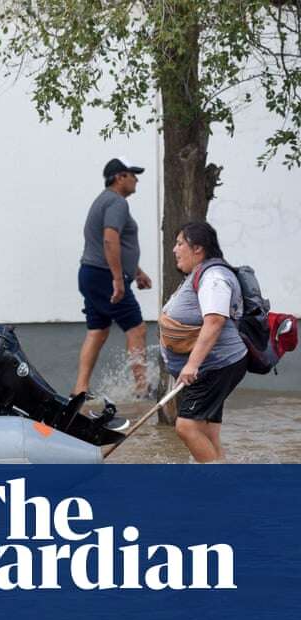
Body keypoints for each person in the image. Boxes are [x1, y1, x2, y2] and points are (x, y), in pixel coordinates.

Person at [160, 222, 248, 462]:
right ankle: (226, 484)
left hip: (215, 365)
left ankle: (217, 487)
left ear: (197, 248)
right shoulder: (200, 274)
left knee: (186, 426)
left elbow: (215, 321)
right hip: (212, 365)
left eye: (180, 243)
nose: (174, 250)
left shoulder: (214, 277)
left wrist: (192, 365)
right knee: (208, 432)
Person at [74, 156, 153, 397]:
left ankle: (80, 390)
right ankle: (142, 389)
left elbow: (113, 244)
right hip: (104, 276)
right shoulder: (117, 203)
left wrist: (136, 272)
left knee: (97, 330)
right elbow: (110, 239)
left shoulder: (103, 201)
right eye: (133, 174)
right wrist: (118, 280)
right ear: (120, 177)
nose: (136, 179)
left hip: (92, 274)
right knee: (137, 328)